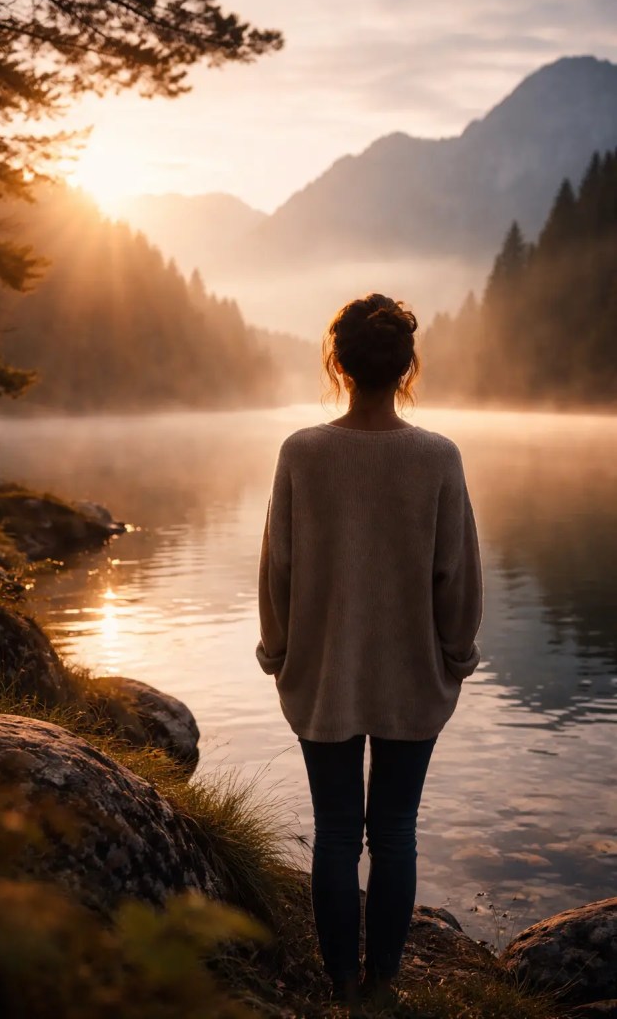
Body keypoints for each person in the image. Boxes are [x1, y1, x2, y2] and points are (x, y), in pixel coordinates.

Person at [255, 293, 483, 1010]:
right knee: (392, 832)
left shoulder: (302, 451)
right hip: (412, 674)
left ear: (338, 363)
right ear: (406, 366)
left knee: (332, 833)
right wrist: (457, 653)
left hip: (322, 674)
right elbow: (457, 574)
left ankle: (341, 984)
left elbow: (277, 570)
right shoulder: (437, 457)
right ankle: (382, 984)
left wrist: (277, 651)